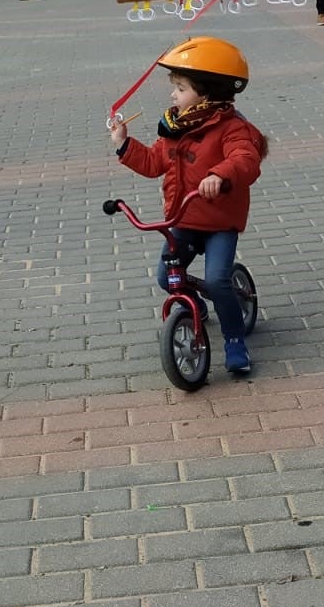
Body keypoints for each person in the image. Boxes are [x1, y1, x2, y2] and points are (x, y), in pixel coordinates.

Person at [107, 36, 267, 374]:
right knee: (167, 277)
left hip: (220, 221)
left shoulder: (232, 128)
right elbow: (153, 163)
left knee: (218, 279)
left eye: (180, 88)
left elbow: (245, 159)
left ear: (206, 92)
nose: (173, 95)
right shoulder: (176, 128)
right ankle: (196, 306)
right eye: (174, 87)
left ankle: (235, 340)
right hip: (183, 217)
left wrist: (220, 175)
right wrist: (124, 145)